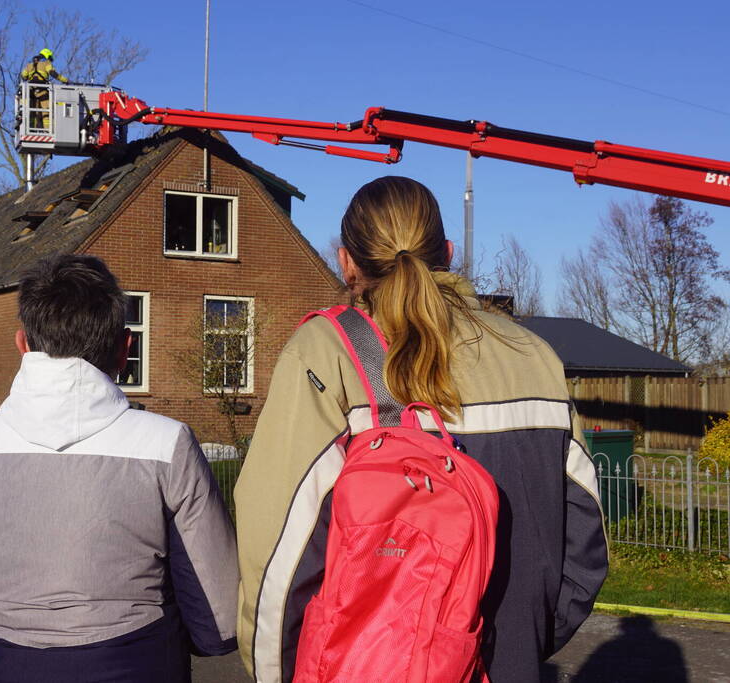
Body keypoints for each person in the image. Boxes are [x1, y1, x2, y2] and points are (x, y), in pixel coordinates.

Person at [234, 176, 608, 683]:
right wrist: (522, 640)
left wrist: (273, 671)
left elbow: (278, 551)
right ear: (448, 252)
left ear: (347, 262)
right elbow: (584, 544)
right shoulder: (535, 356)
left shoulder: (326, 354)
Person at [0, 253, 238, 682]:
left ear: (23, 344)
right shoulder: (167, 444)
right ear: (126, 348)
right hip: (134, 662)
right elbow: (218, 616)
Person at [20, 48, 69, 130]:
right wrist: (66, 80)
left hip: (31, 91)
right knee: (46, 112)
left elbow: (23, 76)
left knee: (33, 112)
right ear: (47, 55)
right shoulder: (46, 63)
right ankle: (47, 130)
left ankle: (31, 129)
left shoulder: (29, 65)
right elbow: (53, 73)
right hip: (42, 90)